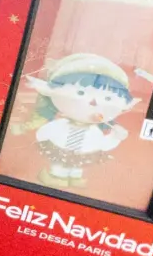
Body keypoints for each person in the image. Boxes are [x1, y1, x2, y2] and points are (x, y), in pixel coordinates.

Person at [23, 53, 140, 190]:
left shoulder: (95, 131)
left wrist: (116, 136)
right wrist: (42, 134)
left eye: (107, 98)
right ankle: (56, 177)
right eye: (80, 93)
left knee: (77, 167)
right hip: (60, 149)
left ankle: (75, 178)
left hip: (83, 153)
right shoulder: (61, 123)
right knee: (59, 165)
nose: (93, 102)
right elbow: (44, 132)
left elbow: (103, 144)